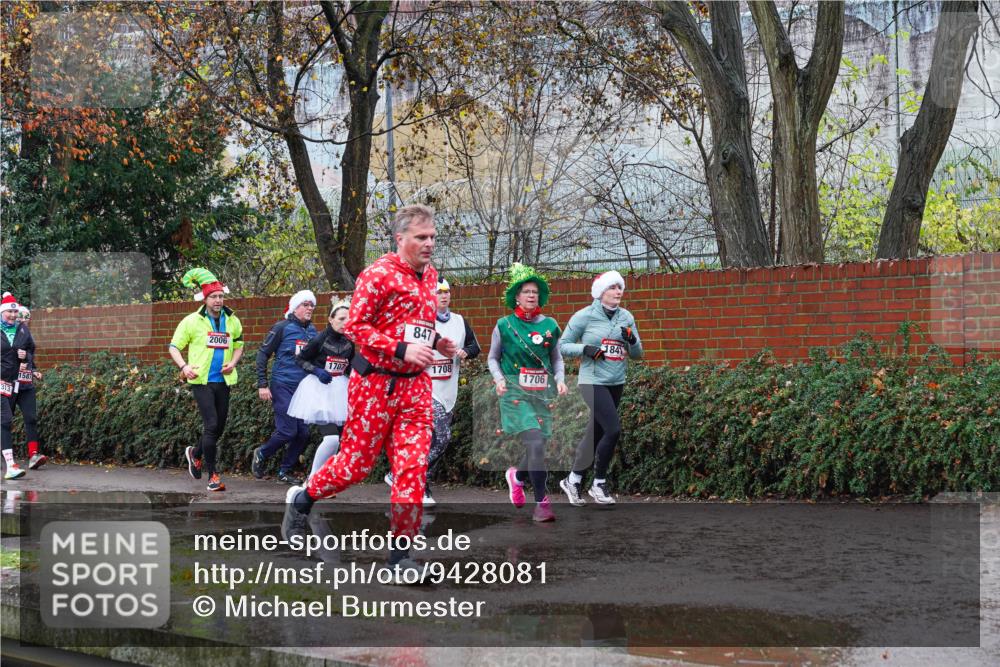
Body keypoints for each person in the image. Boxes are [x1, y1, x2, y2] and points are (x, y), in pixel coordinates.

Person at [281, 204, 458, 582]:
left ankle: (400, 561)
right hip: (374, 385)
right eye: (421, 238)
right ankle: (303, 499)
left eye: (432, 238)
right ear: (400, 239)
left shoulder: (430, 278)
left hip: (415, 388)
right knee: (355, 467)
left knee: (412, 469)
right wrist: (399, 349)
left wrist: (439, 342)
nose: (429, 244)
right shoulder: (377, 275)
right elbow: (356, 328)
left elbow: (417, 327)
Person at [383, 277, 481, 506]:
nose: (444, 296)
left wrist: (466, 352)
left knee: (439, 441)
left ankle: (407, 478)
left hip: (449, 388)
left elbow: (475, 347)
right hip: (424, 388)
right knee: (440, 436)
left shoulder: (459, 321)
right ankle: (413, 480)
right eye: (438, 292)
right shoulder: (420, 322)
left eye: (447, 292)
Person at [488, 264, 568, 522]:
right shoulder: (504, 325)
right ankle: (542, 503)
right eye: (526, 292)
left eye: (535, 292)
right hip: (514, 394)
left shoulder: (551, 325)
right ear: (516, 296)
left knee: (538, 447)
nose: (531, 296)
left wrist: (560, 380)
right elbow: (492, 358)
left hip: (541, 395)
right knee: (534, 442)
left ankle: (517, 477)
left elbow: (557, 359)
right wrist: (499, 380)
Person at [558, 270, 643, 506]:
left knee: (594, 433)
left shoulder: (626, 317)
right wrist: (585, 349)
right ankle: (599, 483)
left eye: (620, 288)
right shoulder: (584, 316)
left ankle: (573, 480)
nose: (618, 292)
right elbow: (562, 346)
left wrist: (632, 340)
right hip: (592, 382)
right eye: (613, 288)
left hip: (616, 381)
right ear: (601, 292)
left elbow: (638, 355)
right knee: (613, 429)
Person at [169, 269, 244, 492]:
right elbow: (173, 347)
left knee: (218, 428)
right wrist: (184, 367)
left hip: (223, 381)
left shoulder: (232, 320)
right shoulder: (192, 321)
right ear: (205, 298)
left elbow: (239, 345)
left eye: (221, 296)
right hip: (201, 381)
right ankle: (213, 476)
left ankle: (195, 453)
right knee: (211, 425)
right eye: (214, 296)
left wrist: (233, 362)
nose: (218, 300)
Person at [253, 291, 319, 485]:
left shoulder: (313, 331)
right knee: (288, 431)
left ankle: (284, 471)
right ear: (295, 307)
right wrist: (262, 384)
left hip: (304, 390)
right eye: (305, 304)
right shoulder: (282, 327)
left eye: (311, 305)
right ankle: (262, 453)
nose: (309, 308)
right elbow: (263, 354)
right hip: (282, 385)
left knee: (304, 434)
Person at [288, 298, 354, 477]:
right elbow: (300, 359)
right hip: (319, 391)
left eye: (349, 318)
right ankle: (312, 479)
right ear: (330, 319)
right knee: (332, 439)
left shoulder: (350, 341)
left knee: (343, 442)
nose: (345, 323)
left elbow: (353, 367)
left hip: (340, 391)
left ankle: (326, 479)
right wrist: (317, 370)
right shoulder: (320, 338)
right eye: (341, 319)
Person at [1, 292, 41, 478]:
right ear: (2, 312)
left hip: (21, 382)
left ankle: (26, 458)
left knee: (24, 418)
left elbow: (31, 351)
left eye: (15, 313)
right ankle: (10, 464)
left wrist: (29, 361)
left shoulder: (22, 330)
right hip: (3, 382)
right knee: (6, 421)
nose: (13, 315)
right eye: (9, 312)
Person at [11, 303, 46, 470]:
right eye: (19, 318)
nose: (22, 322)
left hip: (25, 385)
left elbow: (30, 353)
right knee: (4, 421)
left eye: (26, 319)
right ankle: (8, 457)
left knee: (31, 418)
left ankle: (33, 455)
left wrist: (32, 368)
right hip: (8, 384)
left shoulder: (25, 332)